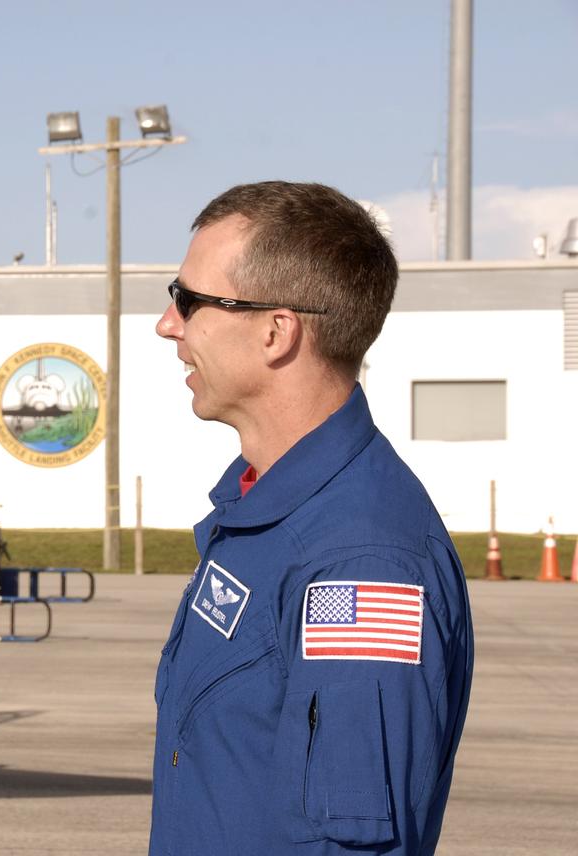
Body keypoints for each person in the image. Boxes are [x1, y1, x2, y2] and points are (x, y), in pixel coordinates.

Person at [149, 181, 473, 855]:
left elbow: (349, 841)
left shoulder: (361, 563)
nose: (168, 324)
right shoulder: (263, 515)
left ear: (276, 331)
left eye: (189, 300)